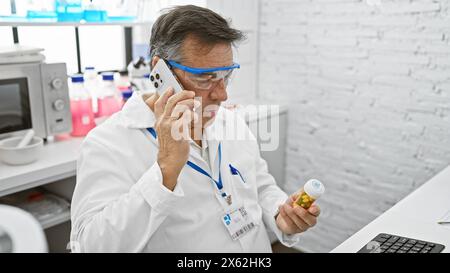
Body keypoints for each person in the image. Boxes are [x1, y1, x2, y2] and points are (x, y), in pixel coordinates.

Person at [70, 5, 320, 252]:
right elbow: (90, 246)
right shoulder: (107, 144)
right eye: (206, 77)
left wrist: (281, 213)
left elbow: (260, 186)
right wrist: (165, 171)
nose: (222, 94)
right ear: (161, 70)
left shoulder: (228, 121)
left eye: (226, 75)